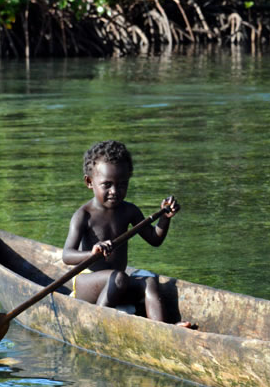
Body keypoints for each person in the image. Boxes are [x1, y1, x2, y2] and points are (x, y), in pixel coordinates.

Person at [63, 140, 191, 327]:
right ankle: (96, 322)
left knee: (149, 282)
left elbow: (154, 239)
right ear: (89, 182)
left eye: (122, 184)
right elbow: (67, 255)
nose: (115, 191)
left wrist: (165, 218)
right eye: (107, 184)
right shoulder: (83, 215)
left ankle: (162, 329)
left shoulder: (129, 211)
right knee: (120, 277)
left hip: (117, 283)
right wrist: (92, 252)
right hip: (86, 283)